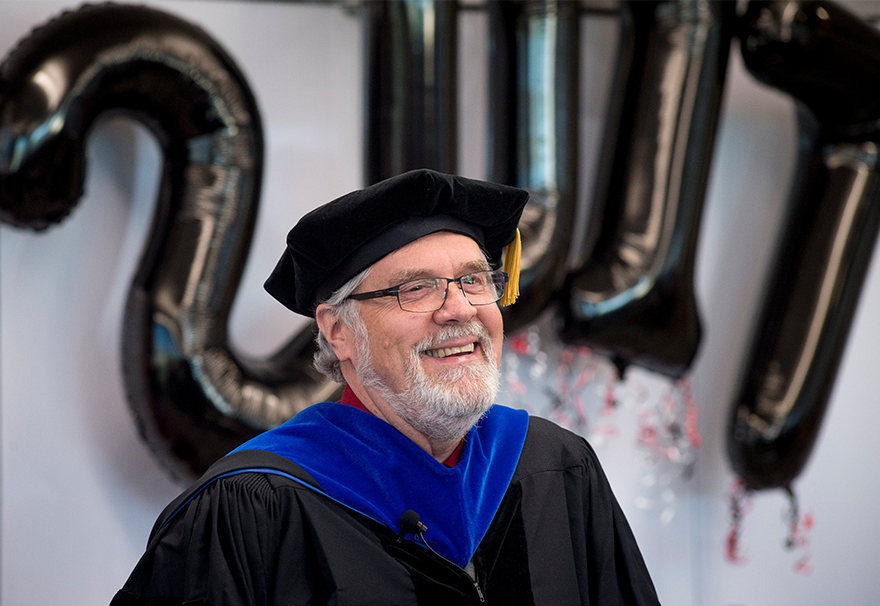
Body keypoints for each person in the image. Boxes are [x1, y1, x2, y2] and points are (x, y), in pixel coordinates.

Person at [112, 169, 660, 605]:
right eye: (415, 289)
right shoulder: (253, 509)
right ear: (339, 332)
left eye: (473, 280)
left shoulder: (556, 468)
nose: (459, 310)